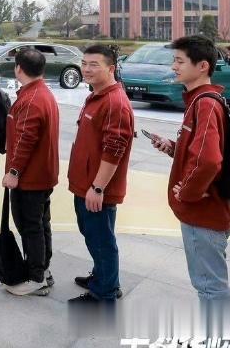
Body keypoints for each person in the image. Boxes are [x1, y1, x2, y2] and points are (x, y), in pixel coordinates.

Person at [148, 35, 230, 302]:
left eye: (180, 61)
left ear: (203, 66)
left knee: (210, 289)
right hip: (206, 213)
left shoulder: (205, 103)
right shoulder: (202, 100)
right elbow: (201, 152)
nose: (174, 66)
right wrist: (173, 147)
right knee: (210, 286)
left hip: (203, 215)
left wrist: (187, 193)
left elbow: (209, 160)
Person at [67, 44, 134, 303]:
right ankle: (102, 277)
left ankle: (105, 292)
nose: (86, 69)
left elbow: (114, 149)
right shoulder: (97, 95)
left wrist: (97, 188)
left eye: (94, 64)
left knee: (101, 240)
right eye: (84, 63)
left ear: (111, 68)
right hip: (86, 184)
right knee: (94, 235)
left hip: (96, 188)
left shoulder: (115, 102)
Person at [1, 47, 60, 296]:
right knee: (41, 224)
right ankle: (43, 269)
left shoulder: (31, 100)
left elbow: (25, 140)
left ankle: (36, 278)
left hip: (30, 178)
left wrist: (13, 172)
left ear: (18, 69)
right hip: (43, 174)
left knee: (30, 226)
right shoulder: (42, 93)